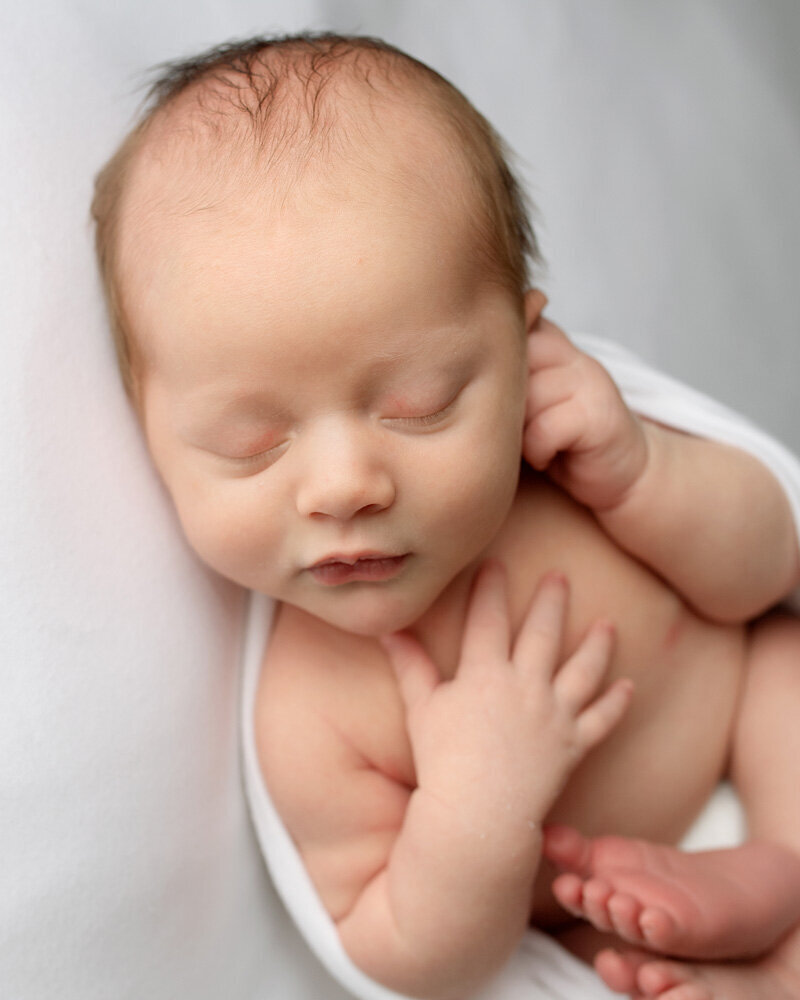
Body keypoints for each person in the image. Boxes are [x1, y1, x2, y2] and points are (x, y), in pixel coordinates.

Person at [91, 33, 800, 1000]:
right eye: (252, 442)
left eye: (421, 404)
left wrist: (644, 474)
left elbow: (764, 574)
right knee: (612, 968)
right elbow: (413, 962)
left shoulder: (570, 459)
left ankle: (781, 867)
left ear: (523, 344)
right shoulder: (315, 713)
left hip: (758, 732)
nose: (346, 485)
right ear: (149, 432)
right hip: (603, 913)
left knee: (785, 670)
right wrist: (478, 809)